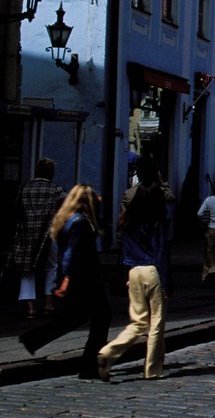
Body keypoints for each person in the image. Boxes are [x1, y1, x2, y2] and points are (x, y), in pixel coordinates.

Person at [20, 185, 108, 380]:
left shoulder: (67, 220)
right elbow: (71, 254)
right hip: (86, 280)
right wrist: (66, 280)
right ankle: (88, 366)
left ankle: (33, 339)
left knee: (75, 318)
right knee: (101, 319)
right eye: (94, 196)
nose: (98, 198)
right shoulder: (80, 223)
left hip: (80, 279)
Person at [99, 172, 173, 380]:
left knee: (137, 322)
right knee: (156, 322)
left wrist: (126, 273)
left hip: (133, 270)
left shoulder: (127, 221)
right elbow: (161, 253)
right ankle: (152, 369)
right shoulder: (155, 222)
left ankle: (108, 352)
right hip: (152, 270)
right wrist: (168, 283)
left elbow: (124, 250)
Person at [7, 157, 65, 319]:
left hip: (27, 233)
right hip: (49, 234)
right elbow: (65, 208)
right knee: (51, 267)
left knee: (27, 270)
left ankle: (30, 307)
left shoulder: (24, 189)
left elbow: (15, 209)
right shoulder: (56, 190)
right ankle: (48, 303)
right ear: (51, 173)